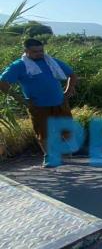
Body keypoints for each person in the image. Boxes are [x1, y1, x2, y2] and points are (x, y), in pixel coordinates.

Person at [0, 39, 78, 167]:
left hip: (59, 102)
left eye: (41, 50)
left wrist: (68, 91)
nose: (39, 53)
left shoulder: (51, 62)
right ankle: (49, 156)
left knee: (66, 128)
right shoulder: (19, 66)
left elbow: (72, 75)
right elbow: (2, 83)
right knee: (43, 132)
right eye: (35, 51)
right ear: (26, 51)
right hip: (38, 106)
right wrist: (21, 99)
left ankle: (69, 150)